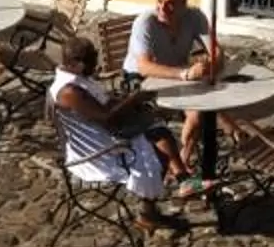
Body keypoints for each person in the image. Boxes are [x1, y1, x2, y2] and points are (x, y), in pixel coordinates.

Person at [48, 37, 182, 232]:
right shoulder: (69, 91)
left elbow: (103, 103)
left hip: (104, 136)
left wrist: (129, 102)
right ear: (78, 64)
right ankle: (150, 212)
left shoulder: (79, 80)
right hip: (97, 155)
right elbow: (105, 117)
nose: (96, 66)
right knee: (157, 150)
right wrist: (134, 99)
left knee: (159, 130)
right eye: (92, 61)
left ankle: (177, 181)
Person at [126, 0, 224, 170]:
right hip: (141, 79)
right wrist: (185, 74)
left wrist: (211, 66)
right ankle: (179, 166)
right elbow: (144, 66)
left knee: (200, 111)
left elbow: (217, 51)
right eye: (160, 1)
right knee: (206, 107)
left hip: (176, 76)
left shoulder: (194, 17)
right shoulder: (145, 23)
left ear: (183, 6)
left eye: (170, 4)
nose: (163, 8)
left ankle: (183, 160)